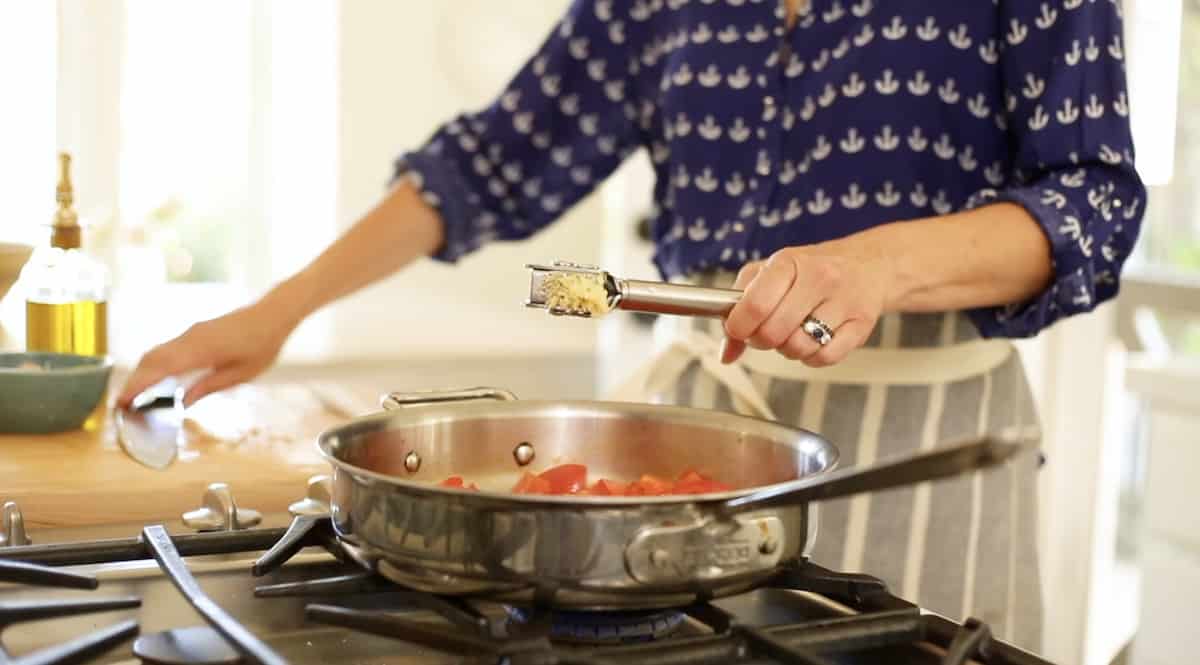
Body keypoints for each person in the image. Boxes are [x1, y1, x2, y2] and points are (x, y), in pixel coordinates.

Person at [117, 0, 1144, 652]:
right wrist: (274, 309)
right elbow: (488, 162)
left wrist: (878, 260)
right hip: (696, 456)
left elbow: (1095, 208)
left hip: (927, 446)